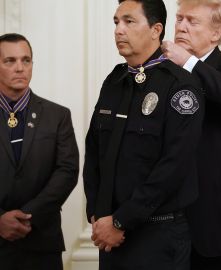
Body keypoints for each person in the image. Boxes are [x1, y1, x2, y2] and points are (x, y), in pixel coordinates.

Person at [83, 0, 204, 269]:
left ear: (155, 29)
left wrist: (120, 220)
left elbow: (173, 167)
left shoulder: (181, 86)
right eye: (116, 22)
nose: (118, 30)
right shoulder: (114, 80)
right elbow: (94, 151)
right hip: (110, 235)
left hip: (158, 236)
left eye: (129, 21)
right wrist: (97, 213)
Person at [161, 0, 221, 269]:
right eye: (179, 18)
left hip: (217, 224)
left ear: (216, 33)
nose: (181, 26)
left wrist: (190, 63)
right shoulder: (161, 71)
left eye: (192, 21)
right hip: (163, 221)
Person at [0, 33, 79, 270]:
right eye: (9, 61)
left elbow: (67, 171)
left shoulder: (58, 115)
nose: (19, 68)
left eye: (26, 60)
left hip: (42, 243)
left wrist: (27, 216)